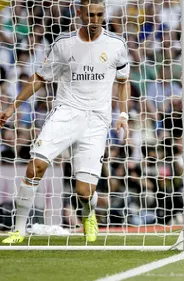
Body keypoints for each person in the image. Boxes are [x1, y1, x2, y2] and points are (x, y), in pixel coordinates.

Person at [0, 0, 130, 244]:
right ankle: (18, 229)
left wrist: (123, 115)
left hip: (96, 121)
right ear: (79, 13)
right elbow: (40, 77)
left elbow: (123, 81)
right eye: (90, 15)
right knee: (35, 166)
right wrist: (12, 107)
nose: (95, 20)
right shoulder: (63, 44)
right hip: (66, 113)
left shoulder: (116, 45)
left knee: (84, 191)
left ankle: (88, 215)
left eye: (99, 15)